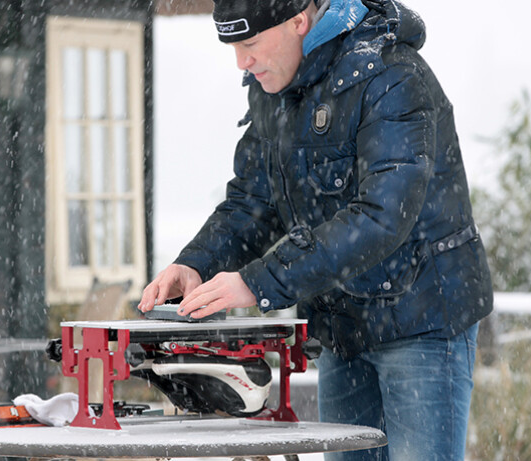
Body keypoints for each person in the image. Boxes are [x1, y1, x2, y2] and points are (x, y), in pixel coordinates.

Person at [138, 0, 493, 459]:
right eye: (233, 47)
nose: (241, 62)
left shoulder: (391, 77)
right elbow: (255, 200)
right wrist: (195, 263)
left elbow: (382, 216)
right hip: (345, 327)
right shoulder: (275, 88)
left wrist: (258, 282)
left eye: (249, 44)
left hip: (422, 322)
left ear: (299, 22)